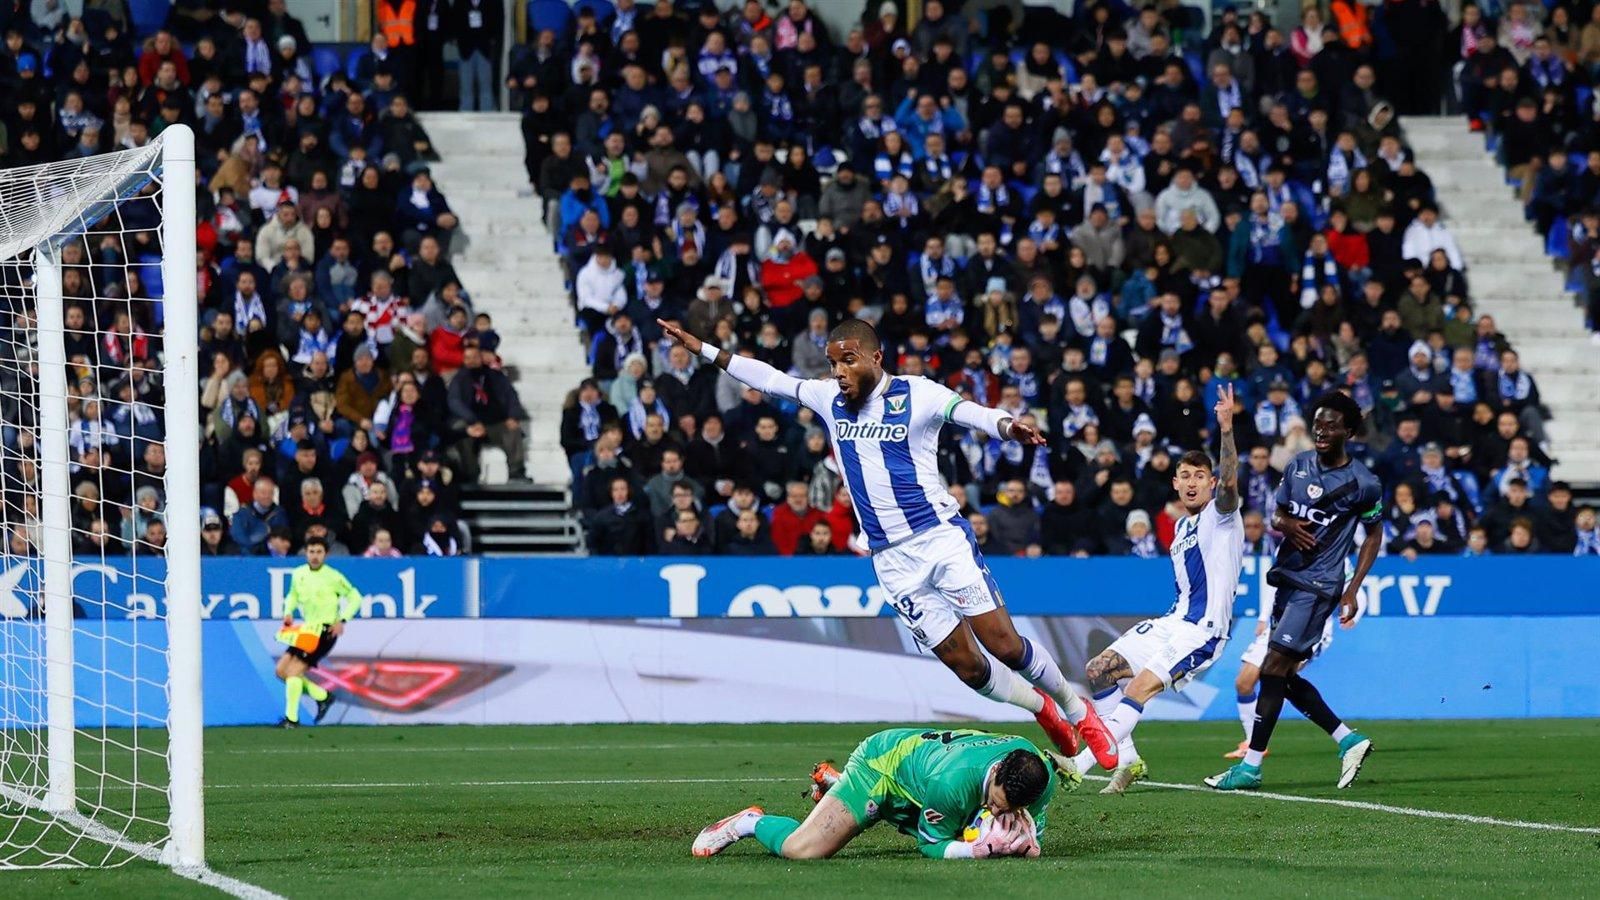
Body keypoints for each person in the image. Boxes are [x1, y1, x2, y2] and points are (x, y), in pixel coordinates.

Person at [657, 317, 1117, 769]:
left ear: (876, 357)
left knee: (1005, 645)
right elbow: (771, 379)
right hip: (891, 560)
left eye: (848, 361)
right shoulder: (827, 398)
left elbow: (968, 411)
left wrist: (1005, 424)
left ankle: (1077, 710)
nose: (838, 372)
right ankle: (1041, 707)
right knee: (968, 667)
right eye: (832, 363)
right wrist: (704, 349)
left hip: (939, 539)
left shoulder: (918, 394)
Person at [1059, 385, 1245, 794]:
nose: (1192, 482)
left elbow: (1231, 483)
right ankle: (1128, 760)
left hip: (1203, 630)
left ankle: (1080, 763)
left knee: (1139, 687)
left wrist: (1226, 429)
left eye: (1201, 476)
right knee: (1098, 670)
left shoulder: (1221, 517)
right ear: (1175, 484)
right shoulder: (1179, 528)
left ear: (1211, 483)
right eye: (1186, 476)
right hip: (1173, 621)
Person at [1208, 391, 1381, 791]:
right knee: (1280, 676)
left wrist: (1353, 589)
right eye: (1317, 424)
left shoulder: (1363, 483)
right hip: (1286, 578)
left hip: (1319, 586)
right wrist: (1285, 525)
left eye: (1331, 426)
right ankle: (1348, 740)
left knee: (1271, 668)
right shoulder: (1298, 465)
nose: (1321, 431)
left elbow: (1374, 535)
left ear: (1349, 431)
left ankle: (1251, 766)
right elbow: (1278, 514)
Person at [692, 728, 1054, 860]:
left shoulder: (1040, 776)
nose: (996, 810)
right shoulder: (953, 782)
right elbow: (931, 845)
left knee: (976, 821)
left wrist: (1030, 841)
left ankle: (835, 786)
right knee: (802, 851)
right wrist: (972, 850)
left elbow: (1031, 829)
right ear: (996, 771)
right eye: (994, 802)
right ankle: (748, 823)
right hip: (882, 771)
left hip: (925, 781)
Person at [274, 535, 361, 728]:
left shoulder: (333, 576)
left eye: (319, 552)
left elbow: (355, 597)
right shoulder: (298, 573)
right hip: (306, 630)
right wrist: (288, 612)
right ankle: (322, 696)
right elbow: (292, 595)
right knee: (281, 671)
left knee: (294, 672)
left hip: (324, 631)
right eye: (311, 552)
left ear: (326, 554)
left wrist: (342, 620)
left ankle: (291, 720)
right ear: (306, 553)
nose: (315, 556)